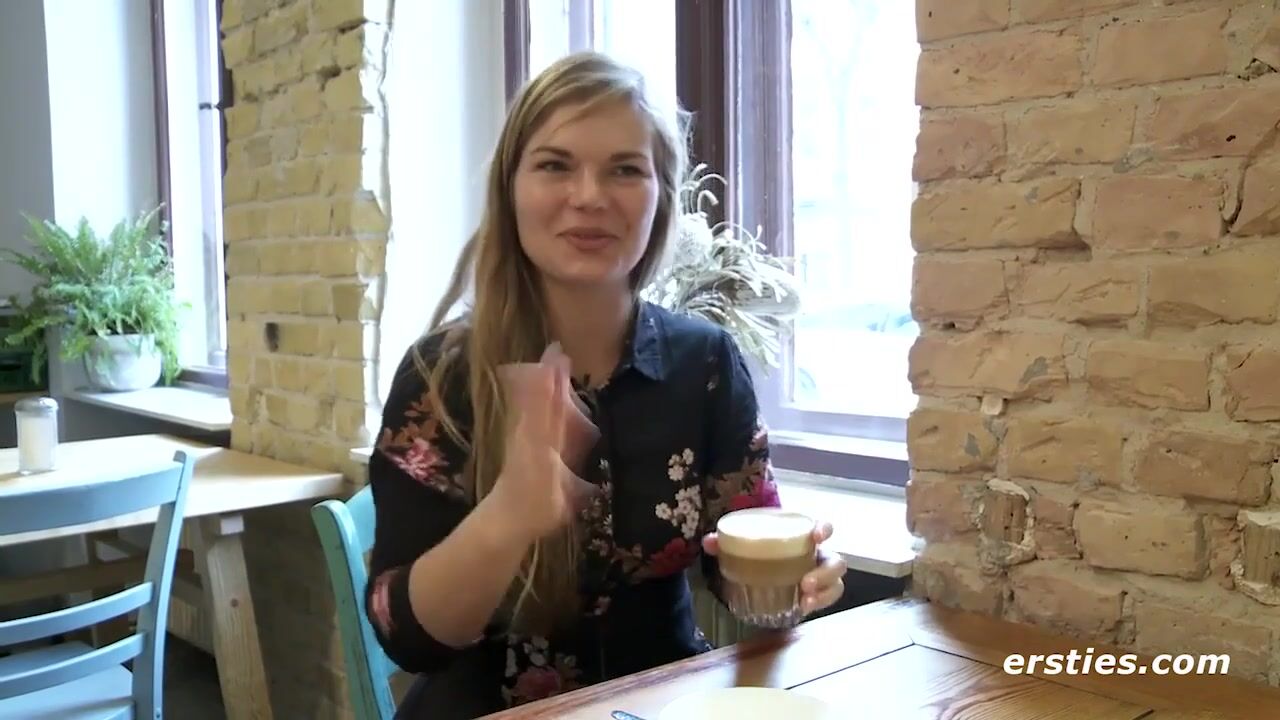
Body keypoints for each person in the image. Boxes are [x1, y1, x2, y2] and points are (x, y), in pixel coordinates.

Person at [364, 51, 847, 719]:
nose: (590, 197)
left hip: (667, 705)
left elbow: (736, 567)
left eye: (625, 169)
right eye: (555, 165)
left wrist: (795, 583)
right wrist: (509, 514)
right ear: (510, 189)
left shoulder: (705, 363)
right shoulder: (440, 376)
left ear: (661, 198)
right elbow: (406, 637)